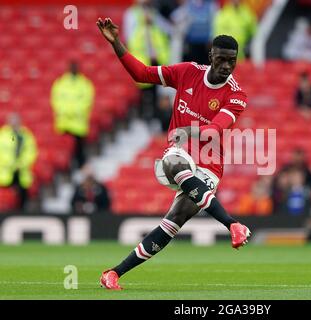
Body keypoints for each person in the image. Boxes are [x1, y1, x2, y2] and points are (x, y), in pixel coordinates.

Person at [96, 17, 251, 290]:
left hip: (210, 166)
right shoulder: (187, 71)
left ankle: (114, 273)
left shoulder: (236, 95)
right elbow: (141, 74)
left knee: (174, 221)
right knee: (174, 160)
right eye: (222, 59)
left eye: (232, 61)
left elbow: (215, 131)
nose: (227, 66)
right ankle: (233, 224)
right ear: (211, 55)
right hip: (179, 152)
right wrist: (117, 43)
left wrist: (188, 131)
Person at [50, 61, 94, 169]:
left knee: (79, 151)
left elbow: (87, 101)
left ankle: (79, 168)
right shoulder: (60, 83)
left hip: (78, 125)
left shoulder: (85, 84)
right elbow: (56, 100)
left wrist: (72, 111)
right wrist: (68, 111)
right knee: (64, 152)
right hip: (64, 124)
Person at [0, 113, 38, 210]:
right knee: (5, 196)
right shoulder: (3, 134)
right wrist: (11, 163)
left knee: (22, 198)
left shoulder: (26, 135)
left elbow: (31, 152)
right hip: (5, 173)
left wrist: (21, 163)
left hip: (22, 172)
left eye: (16, 120)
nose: (14, 123)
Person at [171, 0, 217, 64]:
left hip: (206, 44)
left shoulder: (210, 4)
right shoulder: (188, 4)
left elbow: (214, 22)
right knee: (193, 66)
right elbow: (175, 17)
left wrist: (212, 38)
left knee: (205, 67)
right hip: (192, 43)